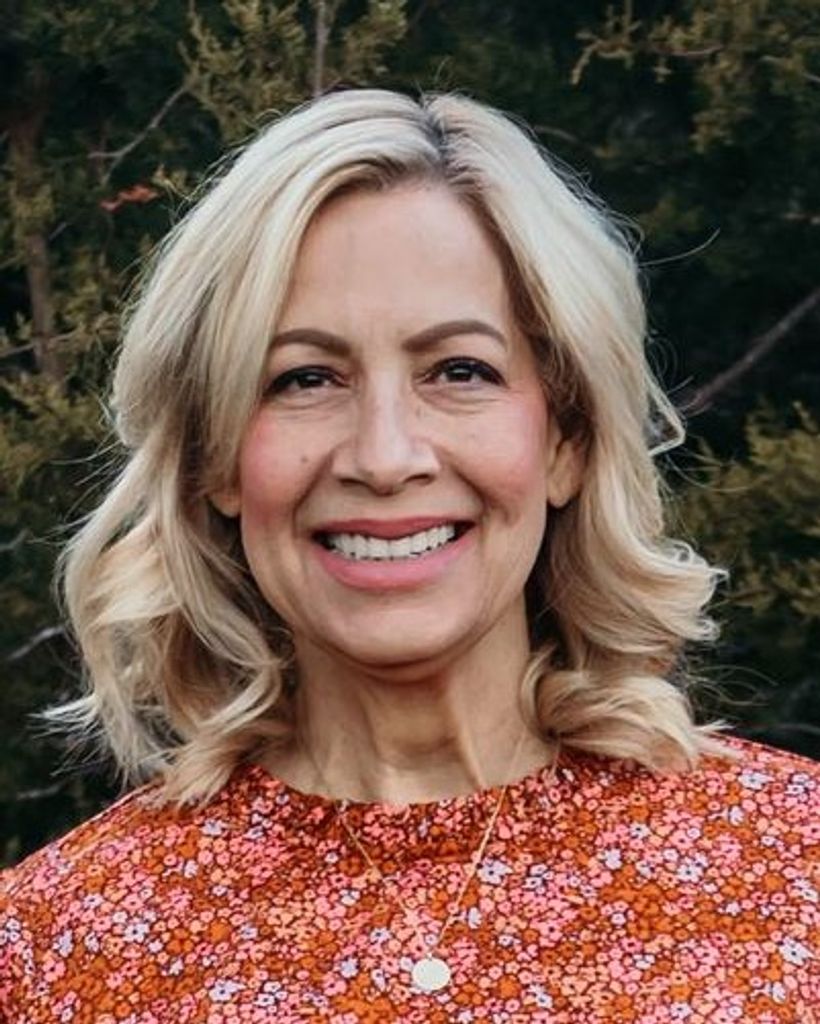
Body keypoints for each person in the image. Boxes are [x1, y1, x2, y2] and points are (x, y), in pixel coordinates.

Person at [0, 88, 817, 1024]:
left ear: (566, 439)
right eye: (304, 378)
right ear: (214, 459)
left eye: (459, 370)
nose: (385, 457)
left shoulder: (795, 877)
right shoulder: (52, 954)